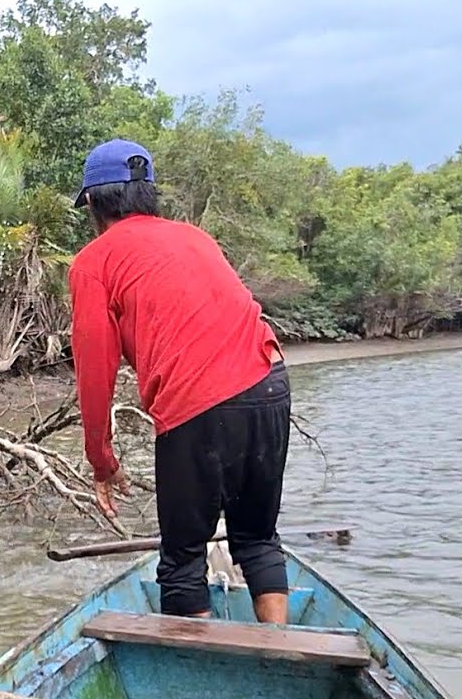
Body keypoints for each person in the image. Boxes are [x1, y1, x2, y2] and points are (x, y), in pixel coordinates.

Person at [67, 138, 292, 624]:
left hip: (197, 404)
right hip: (271, 380)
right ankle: (281, 652)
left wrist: (101, 462)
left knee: (182, 563)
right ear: (148, 194)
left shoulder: (93, 263)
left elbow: (94, 371)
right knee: (256, 538)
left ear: (92, 202)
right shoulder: (196, 237)